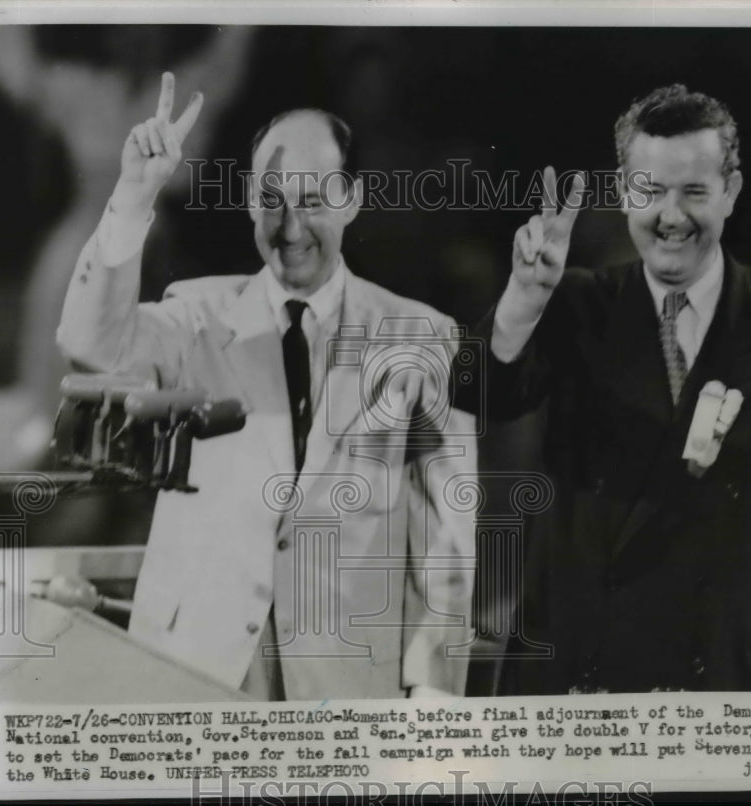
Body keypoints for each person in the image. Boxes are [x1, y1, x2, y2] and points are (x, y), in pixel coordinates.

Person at [57, 73, 475, 700]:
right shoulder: (194, 317)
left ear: (352, 200)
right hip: (197, 672)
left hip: (347, 684)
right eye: (272, 199)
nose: (291, 227)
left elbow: (448, 538)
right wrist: (134, 195)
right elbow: (91, 347)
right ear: (250, 203)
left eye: (312, 200)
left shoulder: (421, 335)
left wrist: (434, 694)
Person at [458, 84, 751, 693]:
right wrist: (521, 302)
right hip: (579, 695)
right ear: (622, 192)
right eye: (650, 191)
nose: (671, 217)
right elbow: (478, 395)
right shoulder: (572, 306)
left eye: (694, 192)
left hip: (737, 698)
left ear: (731, 192)